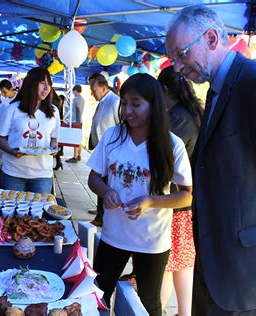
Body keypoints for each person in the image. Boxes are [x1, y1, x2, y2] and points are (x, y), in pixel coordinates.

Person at [166, 5, 256, 315]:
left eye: (181, 54)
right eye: (174, 58)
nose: (177, 67)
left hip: (248, 271)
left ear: (212, 38)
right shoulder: (216, 89)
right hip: (214, 262)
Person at [87, 73, 192, 315]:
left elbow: (186, 195)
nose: (128, 110)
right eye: (124, 103)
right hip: (114, 235)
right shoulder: (113, 136)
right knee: (99, 293)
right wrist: (106, 191)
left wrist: (150, 201)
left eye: (136, 104)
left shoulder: (171, 144)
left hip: (152, 240)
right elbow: (93, 178)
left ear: (154, 104)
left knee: (149, 302)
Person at [158, 65, 203, 316]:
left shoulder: (177, 118)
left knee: (164, 263)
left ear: (165, 90)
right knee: (182, 263)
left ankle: (159, 311)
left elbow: (162, 159)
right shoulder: (194, 112)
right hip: (188, 203)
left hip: (175, 201)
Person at [0, 67, 60, 194]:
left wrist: (54, 148)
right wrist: (13, 151)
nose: (47, 88)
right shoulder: (12, 109)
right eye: (42, 84)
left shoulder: (54, 111)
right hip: (13, 172)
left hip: (42, 174)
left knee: (39, 212)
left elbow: (54, 140)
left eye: (49, 84)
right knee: (12, 212)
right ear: (31, 84)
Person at [88, 75, 120, 226]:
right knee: (99, 180)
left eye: (94, 90)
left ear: (103, 88)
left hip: (112, 151)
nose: (92, 94)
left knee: (105, 182)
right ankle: (100, 212)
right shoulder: (102, 102)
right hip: (102, 150)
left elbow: (120, 124)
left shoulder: (115, 101)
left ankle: (102, 216)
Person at [66, 84, 85, 163]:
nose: (73, 93)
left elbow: (77, 111)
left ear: (76, 90)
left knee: (75, 139)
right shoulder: (82, 99)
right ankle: (79, 155)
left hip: (76, 121)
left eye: (73, 91)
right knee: (79, 139)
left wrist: (75, 122)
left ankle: (75, 156)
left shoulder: (76, 99)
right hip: (80, 120)